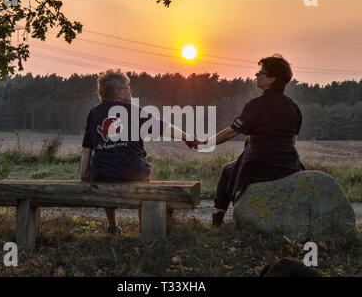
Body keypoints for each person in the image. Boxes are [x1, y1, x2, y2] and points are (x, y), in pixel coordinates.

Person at [189, 54, 305, 226]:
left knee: (228, 170)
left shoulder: (256, 105)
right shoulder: (294, 107)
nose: (256, 75)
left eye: (262, 72)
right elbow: (293, 141)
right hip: (289, 165)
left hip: (259, 164)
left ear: (273, 79)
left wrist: (205, 144)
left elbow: (231, 132)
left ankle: (218, 219)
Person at [80, 70, 199, 234]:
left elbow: (87, 148)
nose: (131, 90)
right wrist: (187, 137)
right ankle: (144, 226)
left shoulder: (94, 112)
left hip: (102, 175)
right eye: (128, 86)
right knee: (141, 172)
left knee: (104, 172)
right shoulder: (134, 111)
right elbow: (165, 127)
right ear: (118, 92)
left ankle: (113, 226)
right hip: (133, 174)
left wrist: (83, 174)